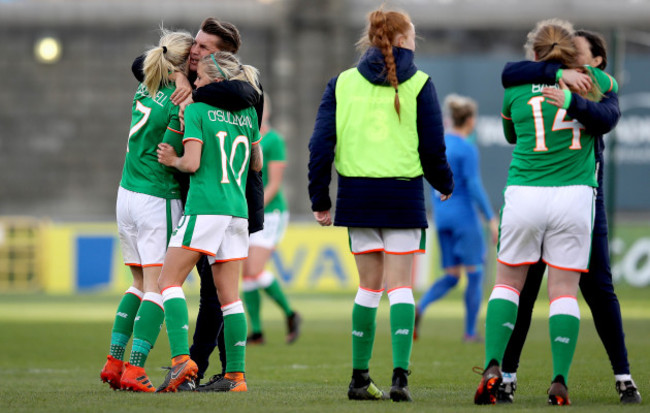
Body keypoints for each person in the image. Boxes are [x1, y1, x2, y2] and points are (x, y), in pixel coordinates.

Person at [308, 8, 454, 402]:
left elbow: (320, 145)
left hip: (357, 196)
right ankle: (400, 379)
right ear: (406, 38)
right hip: (402, 196)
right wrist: (444, 183)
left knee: (368, 290)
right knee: (401, 288)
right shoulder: (421, 83)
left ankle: (358, 378)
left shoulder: (341, 83)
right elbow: (432, 146)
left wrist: (320, 198)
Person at [473, 19, 615, 405]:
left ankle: (492, 366)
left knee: (507, 285)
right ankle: (558, 380)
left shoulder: (514, 87)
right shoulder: (595, 82)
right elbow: (609, 94)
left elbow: (511, 135)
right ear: (572, 52)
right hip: (573, 195)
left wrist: (543, 76)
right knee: (564, 291)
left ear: (534, 53)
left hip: (524, 192)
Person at [496, 29, 642, 404]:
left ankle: (623, 375)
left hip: (583, 204)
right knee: (528, 293)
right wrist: (558, 74)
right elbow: (513, 69)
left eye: (578, 52)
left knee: (599, 292)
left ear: (596, 62)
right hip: (572, 201)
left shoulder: (596, 87)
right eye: (565, 51)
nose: (569, 57)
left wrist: (572, 98)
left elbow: (606, 118)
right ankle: (508, 375)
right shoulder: (545, 77)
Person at [131, 17, 265, 389]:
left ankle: (182, 362)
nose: (197, 82)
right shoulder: (249, 111)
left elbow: (190, 162)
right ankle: (236, 375)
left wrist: (172, 160)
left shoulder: (197, 109)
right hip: (237, 209)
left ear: (217, 71)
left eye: (202, 77)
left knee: (168, 280)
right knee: (230, 297)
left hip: (205, 206)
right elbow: (257, 163)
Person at [100, 29, 193, 392]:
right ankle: (135, 369)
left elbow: (142, 65)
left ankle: (114, 361)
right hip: (157, 196)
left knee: (138, 282)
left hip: (126, 194)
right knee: (158, 284)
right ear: (182, 65)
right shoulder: (176, 101)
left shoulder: (146, 85)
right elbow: (170, 154)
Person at [414, 94, 498, 343]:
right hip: (464, 218)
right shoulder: (467, 149)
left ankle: (420, 307)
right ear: (470, 120)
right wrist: (491, 218)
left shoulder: (439, 145)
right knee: (474, 273)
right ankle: (470, 332)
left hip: (442, 217)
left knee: (452, 275)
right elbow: (473, 185)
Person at [241, 96, 302, 345]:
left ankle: (290, 313)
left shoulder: (274, 140)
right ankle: (257, 331)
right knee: (247, 273)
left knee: (253, 270)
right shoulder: (242, 136)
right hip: (247, 211)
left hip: (270, 213)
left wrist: (254, 210)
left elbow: (274, 185)